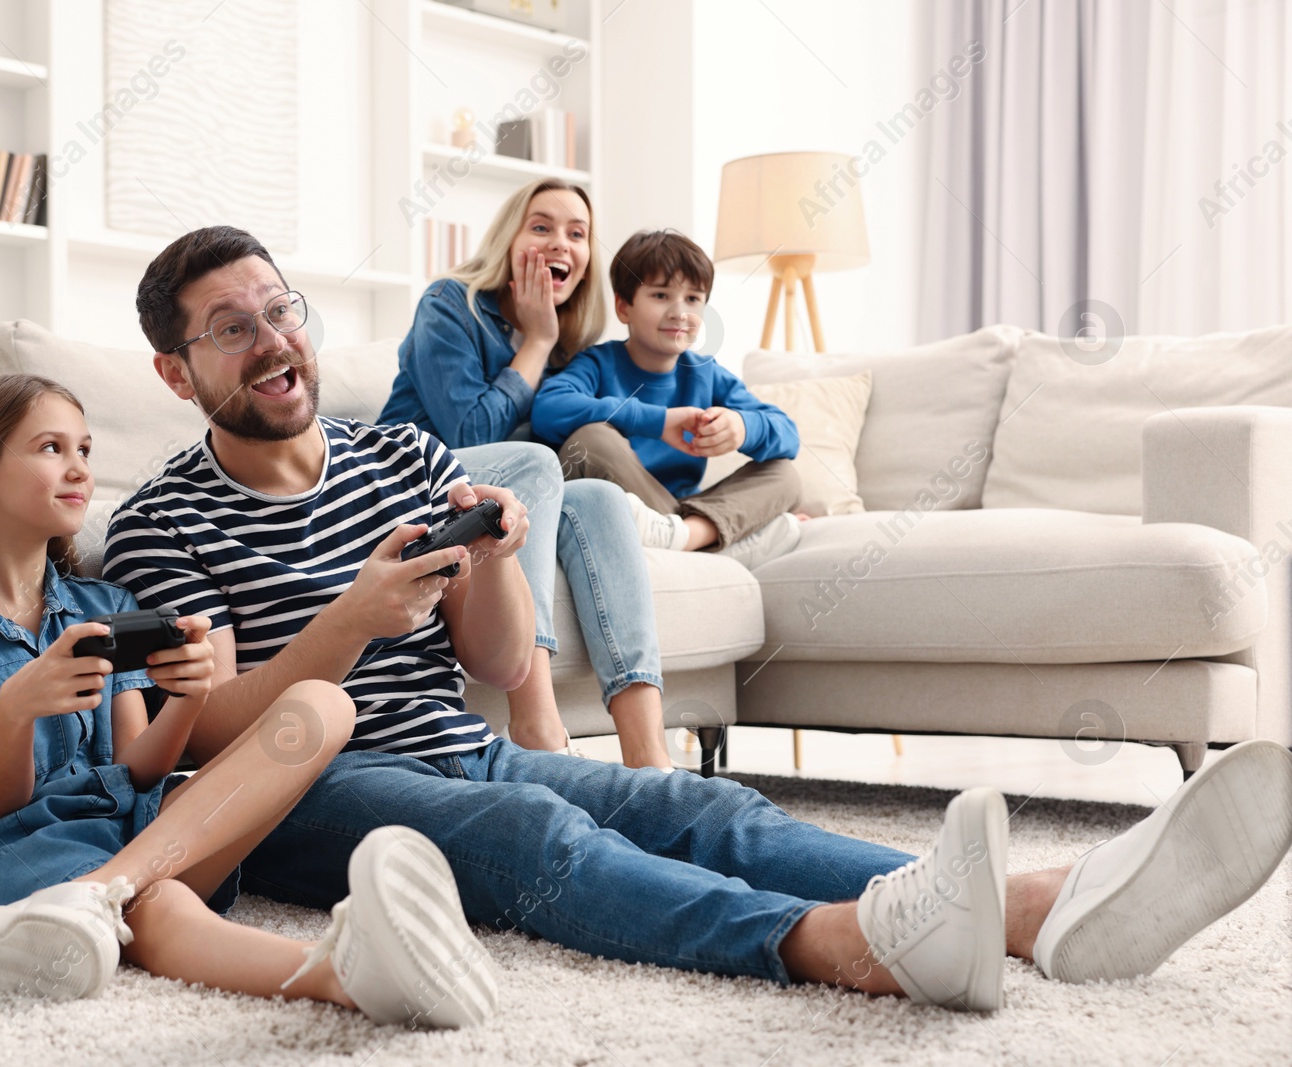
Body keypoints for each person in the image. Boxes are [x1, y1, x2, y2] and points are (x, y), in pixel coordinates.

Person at [103, 224, 1292, 1010]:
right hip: (309, 798)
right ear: (176, 370)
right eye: (231, 327)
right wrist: (354, 618)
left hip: (453, 744)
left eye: (280, 308)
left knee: (689, 799)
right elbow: (207, 747)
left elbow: (501, 660)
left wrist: (498, 563)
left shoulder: (404, 454)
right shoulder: (158, 525)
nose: (274, 342)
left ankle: (1039, 903)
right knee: (542, 842)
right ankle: (834, 939)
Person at [0, 373, 497, 1029]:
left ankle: (95, 896)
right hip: (19, 843)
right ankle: (341, 972)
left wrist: (183, 697)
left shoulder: (102, 607)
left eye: (86, 450)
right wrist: (18, 706)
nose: (79, 469)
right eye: (51, 448)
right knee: (160, 905)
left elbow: (140, 768)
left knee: (322, 704)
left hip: (136, 829)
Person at [380, 178, 673, 769]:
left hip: (499, 497)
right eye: (540, 226)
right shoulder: (449, 304)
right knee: (534, 460)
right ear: (509, 240)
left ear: (587, 259)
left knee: (598, 498)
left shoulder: (574, 340)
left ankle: (650, 762)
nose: (558, 242)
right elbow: (466, 438)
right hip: (409, 484)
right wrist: (536, 342)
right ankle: (536, 730)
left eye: (577, 232)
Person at [533, 229, 806, 569]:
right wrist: (657, 422)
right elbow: (548, 409)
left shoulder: (706, 373)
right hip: (623, 508)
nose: (680, 312)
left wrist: (742, 426)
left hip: (679, 510)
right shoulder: (599, 363)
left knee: (784, 475)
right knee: (590, 439)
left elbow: (788, 435)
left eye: (693, 299)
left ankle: (683, 538)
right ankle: (710, 544)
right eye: (661, 295)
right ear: (624, 306)